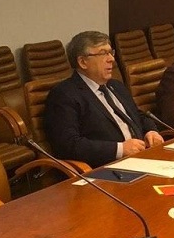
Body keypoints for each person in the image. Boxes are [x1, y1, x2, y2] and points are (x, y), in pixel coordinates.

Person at [43, 31, 163, 168]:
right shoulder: (64, 95)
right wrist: (120, 149)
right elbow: (68, 145)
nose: (111, 59)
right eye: (103, 53)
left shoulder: (116, 86)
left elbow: (138, 115)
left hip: (143, 157)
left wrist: (151, 131)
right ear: (83, 62)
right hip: (107, 167)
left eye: (111, 52)